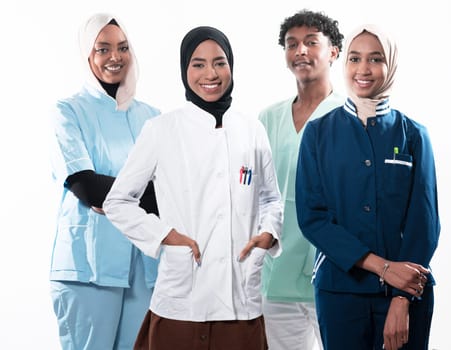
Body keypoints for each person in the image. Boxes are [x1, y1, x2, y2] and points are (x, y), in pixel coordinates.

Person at [103, 25, 283, 350]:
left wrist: (267, 235)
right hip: (181, 301)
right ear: (184, 69)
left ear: (232, 65)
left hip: (240, 302)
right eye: (198, 64)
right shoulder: (161, 130)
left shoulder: (252, 130)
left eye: (220, 62)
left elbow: (271, 199)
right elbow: (118, 201)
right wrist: (164, 235)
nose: (210, 73)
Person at [295, 24, 440, 350]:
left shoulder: (413, 135)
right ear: (343, 64)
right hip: (339, 289)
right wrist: (382, 268)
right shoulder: (318, 133)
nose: (363, 69)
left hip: (407, 292)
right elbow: (312, 218)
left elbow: (424, 222)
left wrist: (402, 297)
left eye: (375, 59)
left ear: (391, 65)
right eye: (355, 58)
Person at [49, 13, 160, 350]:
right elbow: (86, 185)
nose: (115, 57)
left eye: (123, 47)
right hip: (88, 269)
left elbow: (173, 190)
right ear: (88, 55)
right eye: (103, 49)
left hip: (144, 269)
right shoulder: (69, 111)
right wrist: (143, 194)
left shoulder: (151, 117)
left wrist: (116, 196)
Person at [258, 9, 344, 350]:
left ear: (334, 51)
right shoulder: (267, 118)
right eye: (292, 44)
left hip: (334, 271)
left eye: (311, 42)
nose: (301, 51)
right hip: (277, 273)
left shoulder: (348, 116)